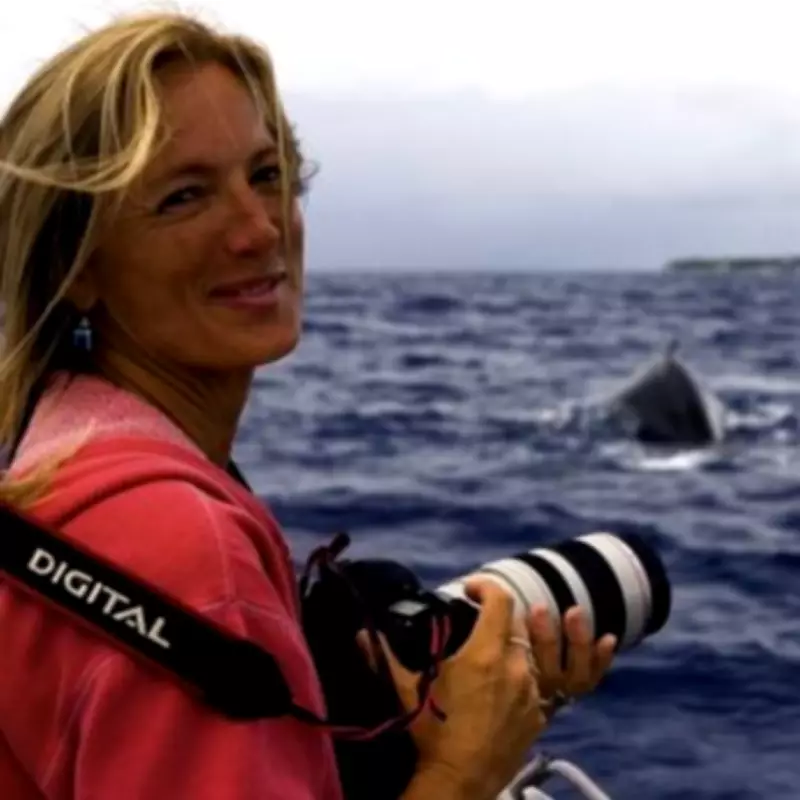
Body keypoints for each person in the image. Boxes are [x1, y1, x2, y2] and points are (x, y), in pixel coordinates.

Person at [0, 11, 618, 800]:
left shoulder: (54, 465)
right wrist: (468, 766)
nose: (259, 229)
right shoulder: (184, 553)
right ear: (76, 265)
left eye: (266, 175)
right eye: (184, 197)